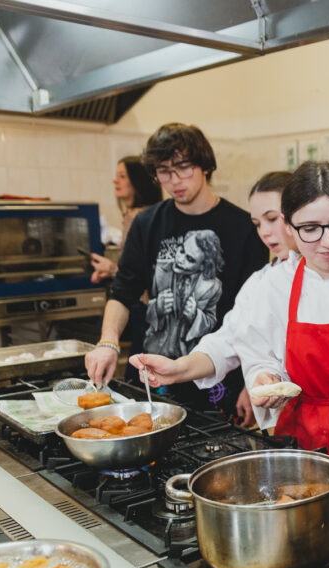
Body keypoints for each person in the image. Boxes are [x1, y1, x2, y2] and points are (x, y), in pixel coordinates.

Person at [141, 161, 329, 477]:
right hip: (308, 440)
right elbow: (239, 345)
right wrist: (255, 376)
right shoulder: (272, 284)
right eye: (311, 229)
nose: (328, 242)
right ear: (291, 226)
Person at [85, 123, 267, 422]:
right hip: (152, 378)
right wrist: (108, 342)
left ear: (205, 166)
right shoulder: (147, 223)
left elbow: (255, 316)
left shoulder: (244, 227)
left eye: (183, 168)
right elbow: (122, 291)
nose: (174, 180)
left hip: (220, 382)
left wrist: (252, 379)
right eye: (164, 171)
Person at [127, 171, 298, 429]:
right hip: (295, 422)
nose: (264, 233)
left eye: (272, 219)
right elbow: (227, 341)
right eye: (257, 223)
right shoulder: (263, 282)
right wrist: (177, 369)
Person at [90, 156, 163, 283]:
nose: (115, 180)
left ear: (138, 181)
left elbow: (137, 271)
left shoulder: (135, 217)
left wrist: (111, 268)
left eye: (122, 176)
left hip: (141, 299)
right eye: (117, 176)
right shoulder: (154, 213)